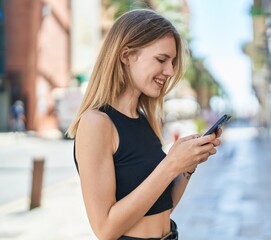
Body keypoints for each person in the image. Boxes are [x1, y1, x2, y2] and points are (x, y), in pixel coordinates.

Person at [67, 9, 222, 240]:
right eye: (161, 59)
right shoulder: (96, 123)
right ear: (127, 56)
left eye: (172, 62)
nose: (170, 71)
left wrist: (187, 166)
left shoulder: (144, 120)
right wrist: (171, 164)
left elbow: (161, 207)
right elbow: (105, 229)